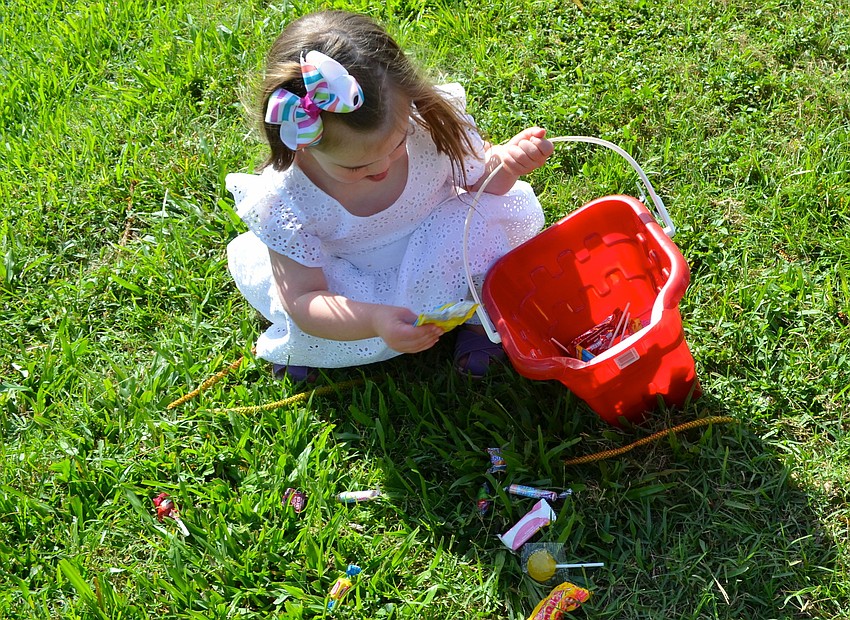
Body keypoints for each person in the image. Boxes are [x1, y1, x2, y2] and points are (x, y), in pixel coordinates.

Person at [226, 10, 553, 381]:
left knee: (485, 232)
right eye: (355, 167)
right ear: (301, 144)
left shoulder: (429, 124)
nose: (383, 167)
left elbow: (479, 186)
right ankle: (320, 350)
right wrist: (374, 320)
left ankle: (480, 324)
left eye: (397, 144)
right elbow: (303, 300)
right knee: (322, 327)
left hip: (442, 248)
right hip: (356, 285)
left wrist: (506, 163)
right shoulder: (287, 200)